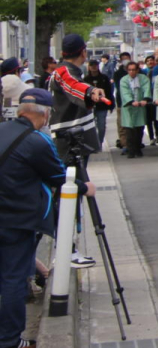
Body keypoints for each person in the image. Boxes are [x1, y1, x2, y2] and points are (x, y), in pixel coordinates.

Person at [0, 88, 96, 348]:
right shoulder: (37, 141)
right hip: (16, 220)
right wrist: (84, 187)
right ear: (45, 115)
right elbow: (59, 177)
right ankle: (9, 341)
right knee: (13, 279)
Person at [47, 34, 105, 159]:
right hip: (70, 137)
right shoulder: (64, 71)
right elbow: (73, 85)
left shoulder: (64, 71)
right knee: (72, 171)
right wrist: (91, 91)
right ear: (83, 53)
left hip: (70, 134)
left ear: (62, 53)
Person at [119, 60, 152, 158]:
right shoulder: (124, 80)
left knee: (139, 129)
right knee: (129, 130)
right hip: (129, 107)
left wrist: (145, 99)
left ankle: (138, 148)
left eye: (134, 70)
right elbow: (124, 92)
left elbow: (146, 88)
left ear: (137, 70)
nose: (132, 72)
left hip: (140, 107)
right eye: (129, 70)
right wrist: (131, 101)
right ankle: (131, 150)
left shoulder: (143, 78)